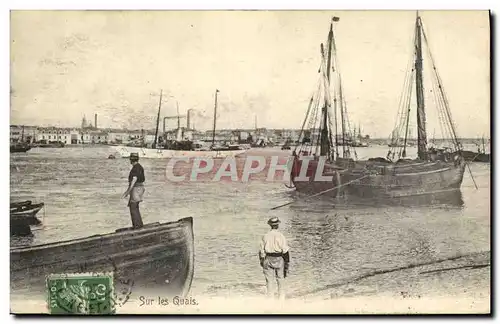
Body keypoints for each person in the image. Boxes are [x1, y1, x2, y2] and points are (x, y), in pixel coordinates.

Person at [259, 217, 290, 300]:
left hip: (268, 258)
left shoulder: (265, 236)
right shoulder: (281, 236)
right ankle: (281, 298)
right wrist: (287, 263)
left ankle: (270, 298)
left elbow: (261, 251)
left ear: (270, 225)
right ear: (278, 225)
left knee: (269, 280)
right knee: (280, 279)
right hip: (279, 258)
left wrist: (262, 260)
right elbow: (285, 251)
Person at [121, 153, 145, 228]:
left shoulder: (135, 168)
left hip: (136, 188)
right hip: (140, 188)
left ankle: (137, 226)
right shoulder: (140, 167)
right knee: (135, 206)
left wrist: (127, 192)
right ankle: (139, 224)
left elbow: (134, 180)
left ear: (131, 160)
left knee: (133, 206)